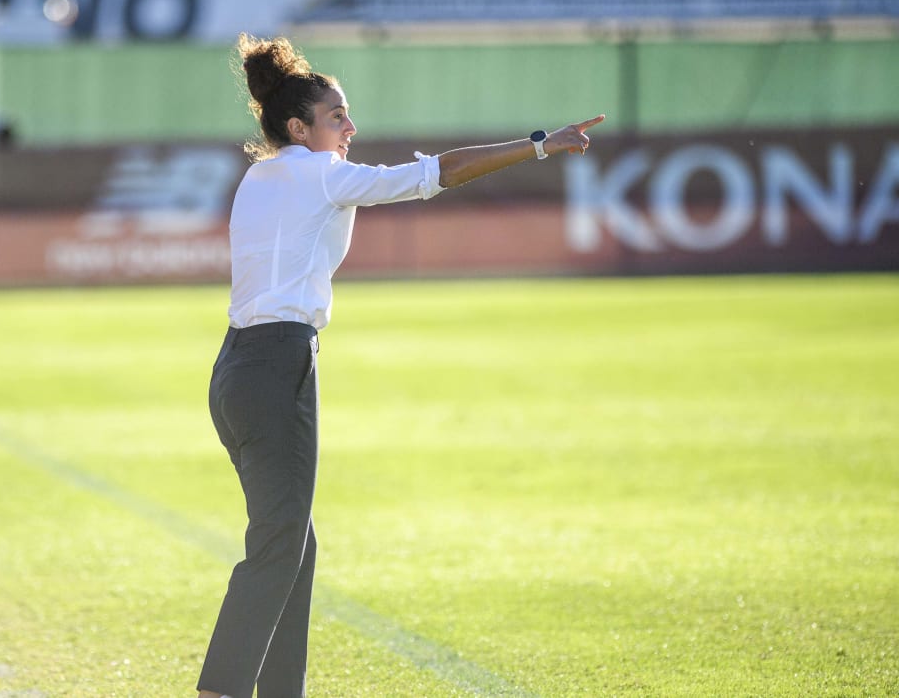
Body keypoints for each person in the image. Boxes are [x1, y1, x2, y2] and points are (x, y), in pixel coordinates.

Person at [197, 34, 604, 698]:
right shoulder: (320, 173)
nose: (351, 127)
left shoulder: (262, 174)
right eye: (337, 117)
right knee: (278, 550)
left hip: (235, 370)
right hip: (276, 366)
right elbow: (434, 174)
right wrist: (539, 144)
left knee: (293, 544)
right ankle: (221, 691)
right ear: (299, 127)